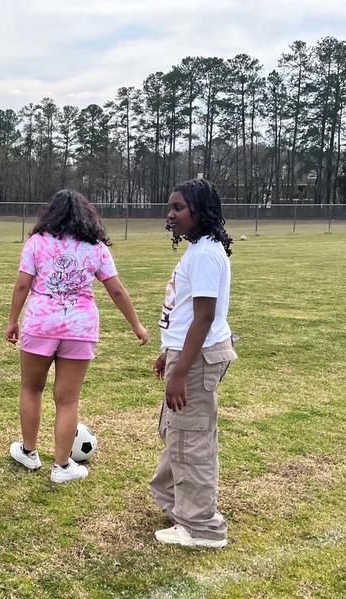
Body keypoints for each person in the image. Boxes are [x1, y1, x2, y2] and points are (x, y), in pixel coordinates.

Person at [6, 190, 148, 483]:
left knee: (31, 389)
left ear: (50, 212)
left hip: (40, 324)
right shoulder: (95, 247)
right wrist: (137, 325)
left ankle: (29, 453)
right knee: (67, 400)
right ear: (87, 216)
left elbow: (22, 286)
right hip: (80, 329)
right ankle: (62, 466)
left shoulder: (36, 243)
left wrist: (12, 321)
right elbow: (116, 289)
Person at [150, 178, 237, 548]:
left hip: (198, 359)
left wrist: (181, 371)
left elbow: (203, 317)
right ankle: (175, 502)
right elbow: (186, 314)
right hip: (188, 353)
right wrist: (169, 351)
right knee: (176, 431)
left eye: (178, 208)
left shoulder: (203, 254)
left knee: (191, 438)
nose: (170, 215)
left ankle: (200, 525)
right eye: (169, 208)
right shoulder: (200, 248)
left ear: (200, 211)